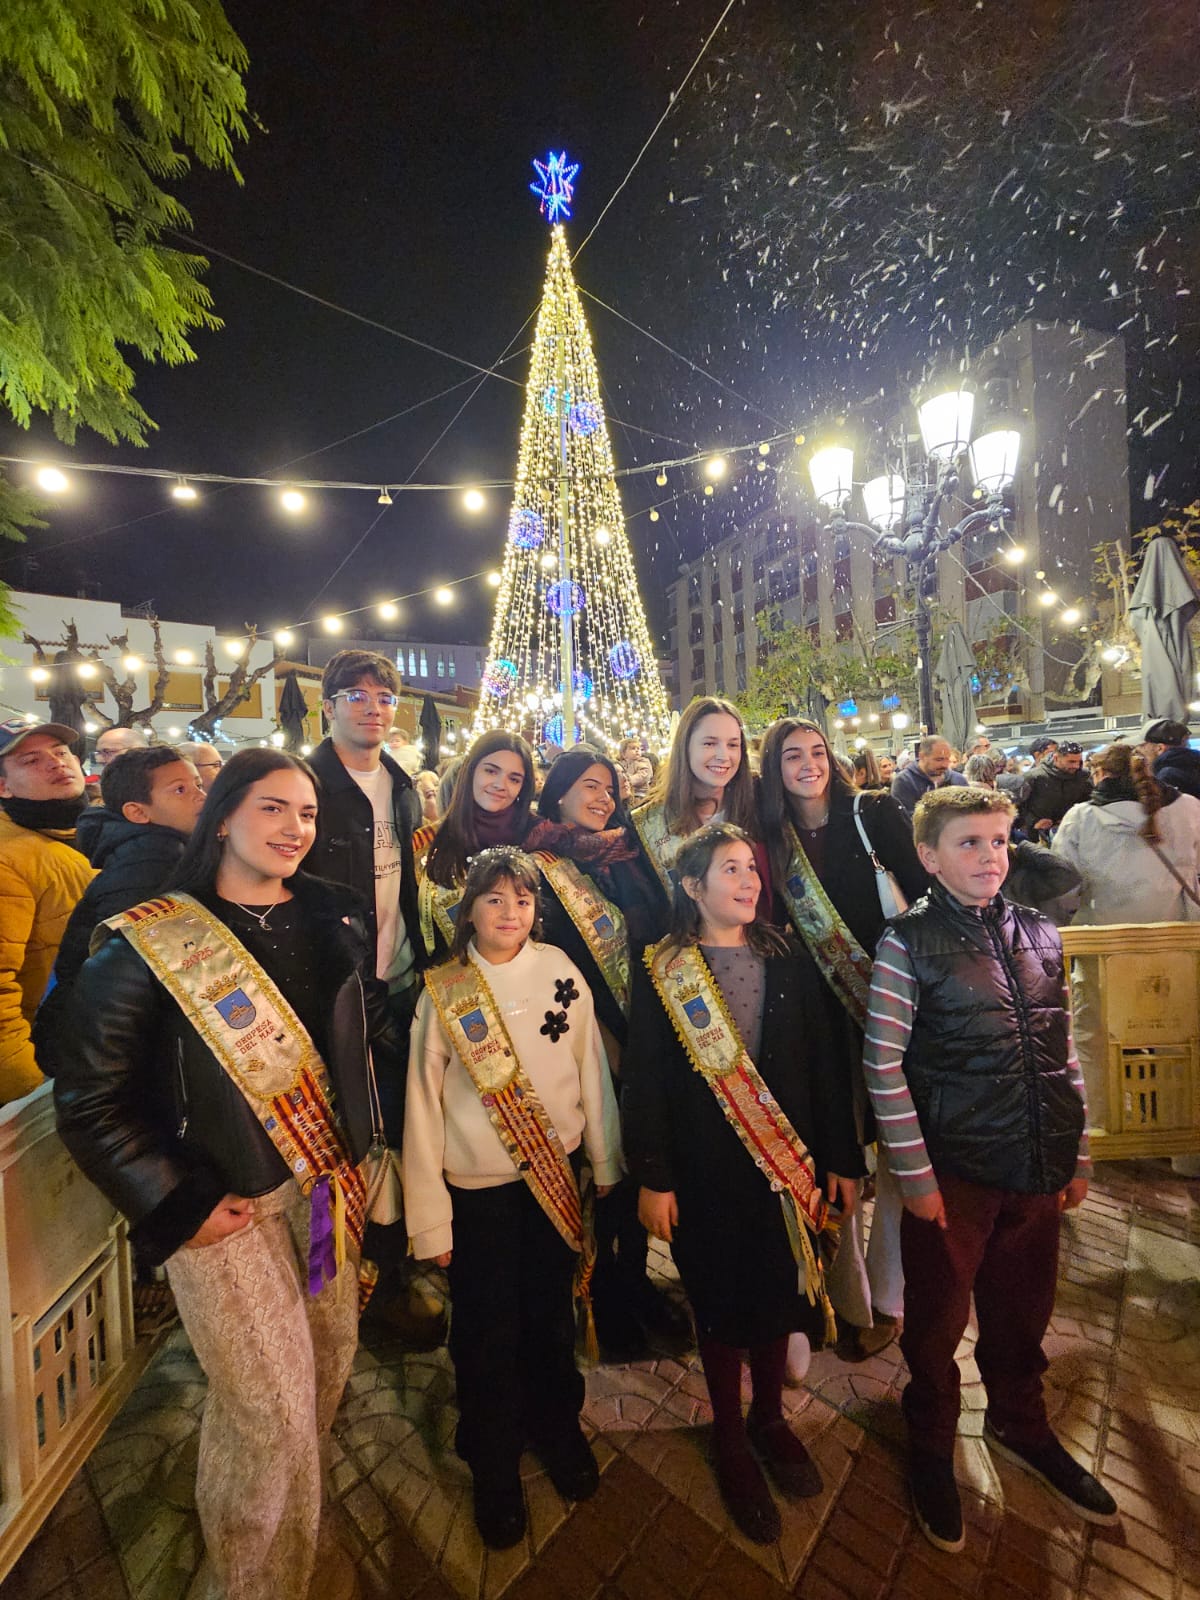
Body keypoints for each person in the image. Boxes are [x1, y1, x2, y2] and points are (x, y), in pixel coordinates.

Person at [52, 750, 387, 1600]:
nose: (295, 830)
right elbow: (90, 1098)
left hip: (324, 1193)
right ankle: (248, 1584)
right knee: (270, 1412)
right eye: (273, 809)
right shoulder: (150, 938)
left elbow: (369, 1039)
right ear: (225, 817)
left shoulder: (336, 919)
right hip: (223, 1207)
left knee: (323, 1370)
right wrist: (179, 1201)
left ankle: (296, 1555)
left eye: (307, 815)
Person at [862, 786, 1116, 1554]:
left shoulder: (1041, 932)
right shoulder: (908, 942)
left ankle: (1020, 1421)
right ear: (930, 857)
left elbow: (1060, 1048)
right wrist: (916, 1175)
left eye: (1000, 842)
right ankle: (933, 1444)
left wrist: (1077, 1151)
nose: (990, 858)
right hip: (958, 1170)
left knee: (1022, 1309)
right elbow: (884, 1063)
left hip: (1034, 1163)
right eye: (969, 843)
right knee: (937, 1324)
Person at [622, 824, 861, 1544]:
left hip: (785, 1168)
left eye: (752, 868)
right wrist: (654, 1177)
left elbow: (823, 1067)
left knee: (778, 1289)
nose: (750, 881)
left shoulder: (786, 958)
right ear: (692, 887)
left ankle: (769, 1419)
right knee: (718, 1297)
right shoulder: (664, 968)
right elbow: (646, 1080)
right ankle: (729, 1431)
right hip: (703, 1171)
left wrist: (842, 1156)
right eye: (731, 869)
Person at [403, 846, 621, 1549]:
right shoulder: (444, 991)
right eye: (494, 900)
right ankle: (493, 1459)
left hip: (553, 1182)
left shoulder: (560, 971)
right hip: (477, 1194)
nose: (510, 913)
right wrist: (429, 1218)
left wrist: (606, 1159)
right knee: (485, 1331)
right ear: (467, 909)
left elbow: (589, 1064)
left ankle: (557, 1425)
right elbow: (421, 1109)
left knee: (552, 1317)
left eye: (522, 900)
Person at [759, 717, 928, 1361]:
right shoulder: (769, 840)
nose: (809, 764)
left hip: (890, 1006)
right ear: (773, 768)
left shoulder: (874, 814)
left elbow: (924, 896)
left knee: (898, 1151)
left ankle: (891, 1292)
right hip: (812, 1021)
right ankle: (847, 1295)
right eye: (792, 755)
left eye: (818, 751)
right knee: (839, 1159)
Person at [524, 747, 680, 1360]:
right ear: (557, 794)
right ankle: (595, 1297)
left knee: (635, 1161)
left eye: (610, 789)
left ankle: (632, 1281)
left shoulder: (626, 859)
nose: (603, 798)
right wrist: (605, 1045)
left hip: (646, 1034)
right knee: (595, 1175)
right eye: (589, 786)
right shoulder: (540, 866)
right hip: (587, 1045)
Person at [304, 648, 431, 1339]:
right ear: (328, 706)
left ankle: (388, 1277)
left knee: (395, 1133)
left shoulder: (401, 783)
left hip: (399, 983)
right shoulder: (307, 784)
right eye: (356, 695)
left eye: (384, 697)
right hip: (332, 991)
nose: (373, 708)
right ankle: (333, 1284)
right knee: (339, 1137)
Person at [41, 746, 206, 1002]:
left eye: (198, 785)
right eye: (180, 790)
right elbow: (130, 961)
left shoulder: (158, 848)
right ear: (138, 812)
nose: (201, 796)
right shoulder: (154, 858)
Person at [0, 718, 95, 1105]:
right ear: (3, 786)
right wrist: (29, 1092)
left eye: (60, 752)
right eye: (31, 760)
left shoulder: (87, 833)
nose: (57, 763)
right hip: (43, 1075)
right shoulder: (10, 858)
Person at [632, 696, 768, 910]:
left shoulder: (761, 801)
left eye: (733, 745)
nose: (724, 756)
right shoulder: (647, 823)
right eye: (710, 743)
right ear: (685, 747)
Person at [419, 732, 536, 959]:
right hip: (454, 979)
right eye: (491, 771)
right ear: (470, 771)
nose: (500, 785)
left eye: (514, 778)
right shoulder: (429, 843)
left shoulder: (537, 838)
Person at [1018, 740, 1091, 839]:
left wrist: (1073, 818)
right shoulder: (1033, 777)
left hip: (1074, 833)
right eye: (1071, 762)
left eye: (1079, 761)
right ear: (1056, 758)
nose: (1076, 766)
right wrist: (1033, 822)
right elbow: (1019, 806)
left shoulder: (1084, 776)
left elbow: (1088, 803)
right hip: (1037, 835)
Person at [890, 737, 968, 815]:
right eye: (939, 759)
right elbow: (904, 820)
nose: (945, 764)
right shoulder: (903, 782)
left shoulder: (959, 781)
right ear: (922, 756)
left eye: (947, 759)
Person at [1140, 717, 1200, 800]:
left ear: (1160, 748)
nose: (1140, 752)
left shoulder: (1167, 777)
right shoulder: (1193, 767)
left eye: (1143, 746)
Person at [616, 736, 654, 804]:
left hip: (640, 792)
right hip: (628, 792)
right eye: (633, 748)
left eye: (639, 748)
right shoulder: (622, 764)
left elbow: (643, 775)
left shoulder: (642, 761)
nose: (637, 750)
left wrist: (629, 780)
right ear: (624, 754)